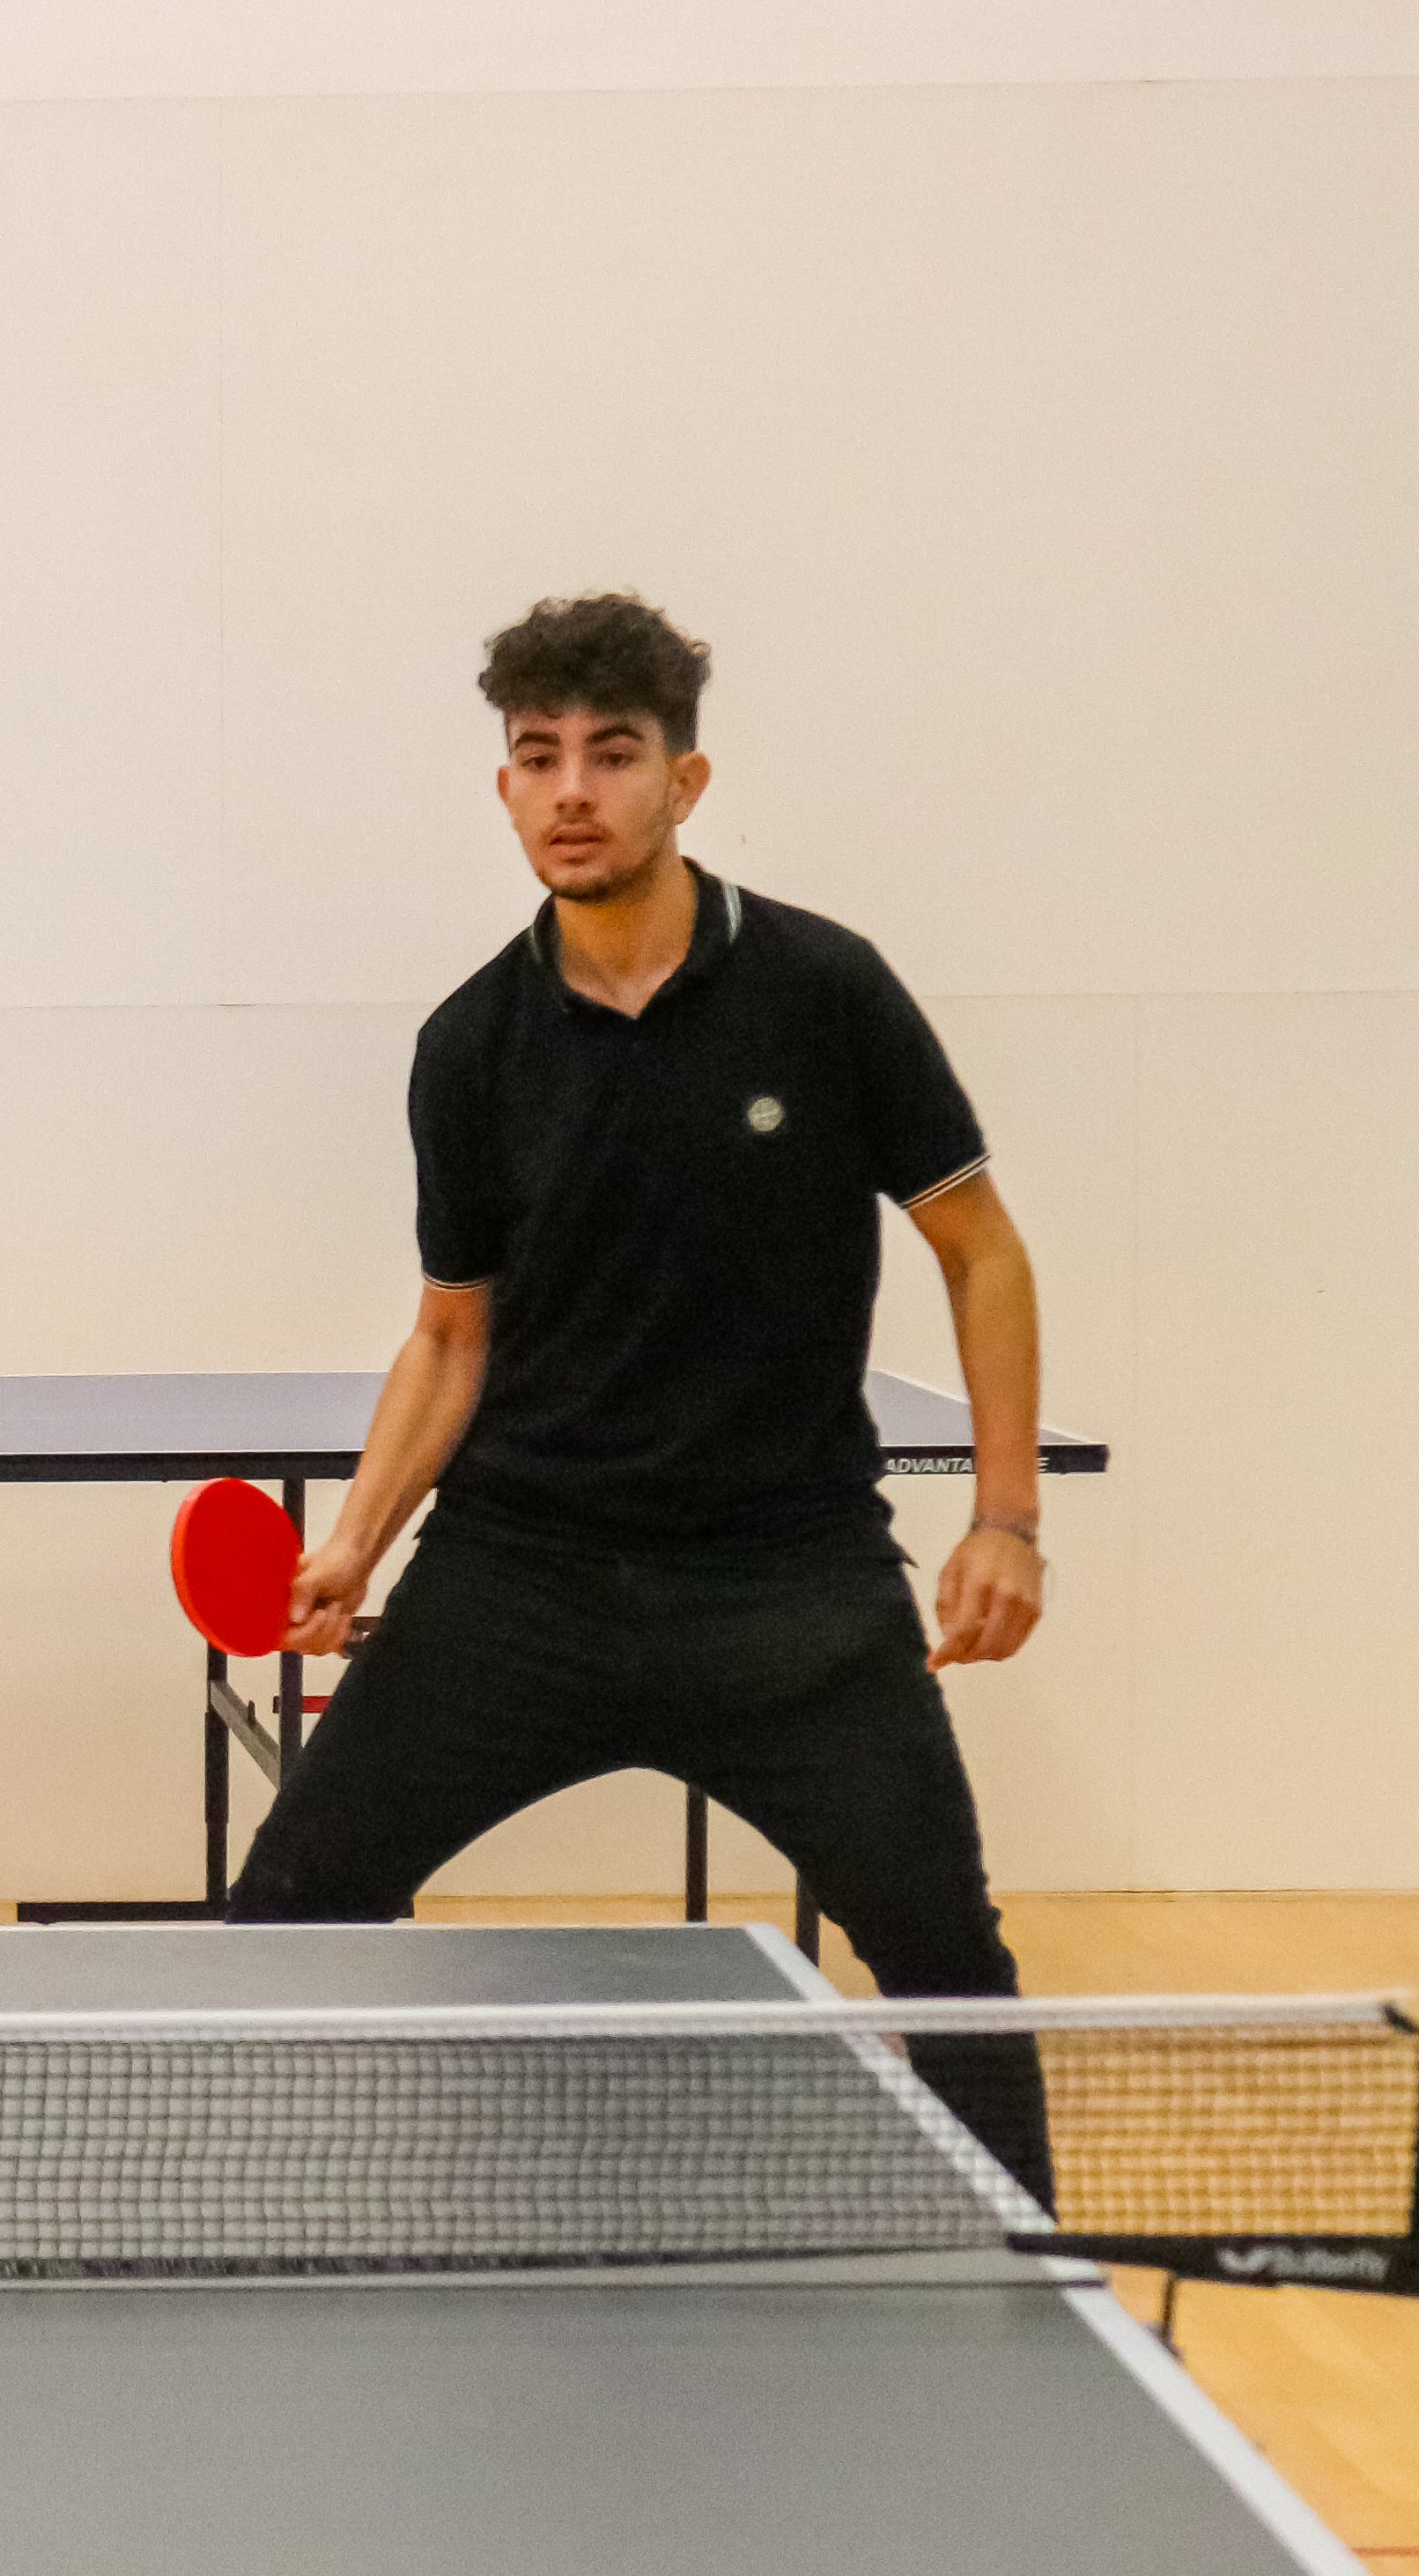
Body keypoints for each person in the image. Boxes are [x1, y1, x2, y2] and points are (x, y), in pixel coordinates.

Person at [225, 592, 1054, 2193]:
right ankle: (222, 2242)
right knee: (281, 1913)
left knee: (948, 1952)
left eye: (613, 754)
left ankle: (1044, 2294)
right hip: (520, 1583)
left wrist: (1006, 1516)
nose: (572, 791)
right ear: (504, 789)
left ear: (687, 780)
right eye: (539, 758)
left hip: (790, 1592)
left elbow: (983, 1249)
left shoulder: (825, 993)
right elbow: (451, 1335)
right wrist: (357, 1541)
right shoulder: (471, 1044)